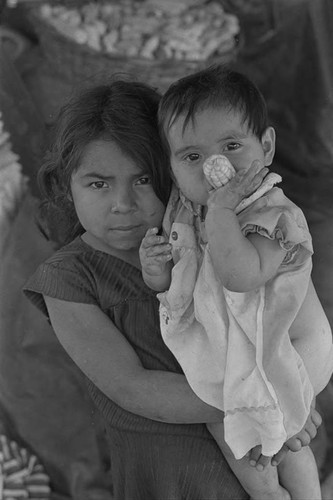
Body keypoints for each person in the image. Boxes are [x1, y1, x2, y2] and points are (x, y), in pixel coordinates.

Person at [23, 78, 258, 500]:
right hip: (168, 472)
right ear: (66, 184)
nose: (123, 203)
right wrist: (265, 401)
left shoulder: (212, 238)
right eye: (98, 183)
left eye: (144, 178)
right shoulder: (69, 280)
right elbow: (133, 387)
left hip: (260, 454)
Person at [139, 65, 333, 500]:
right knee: (236, 423)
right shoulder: (190, 211)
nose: (214, 167)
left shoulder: (274, 214)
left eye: (230, 146)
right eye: (191, 156)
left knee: (267, 430)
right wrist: (158, 273)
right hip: (238, 343)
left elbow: (240, 276)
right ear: (171, 165)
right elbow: (185, 280)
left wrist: (223, 214)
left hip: (289, 347)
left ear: (265, 147)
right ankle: (274, 494)